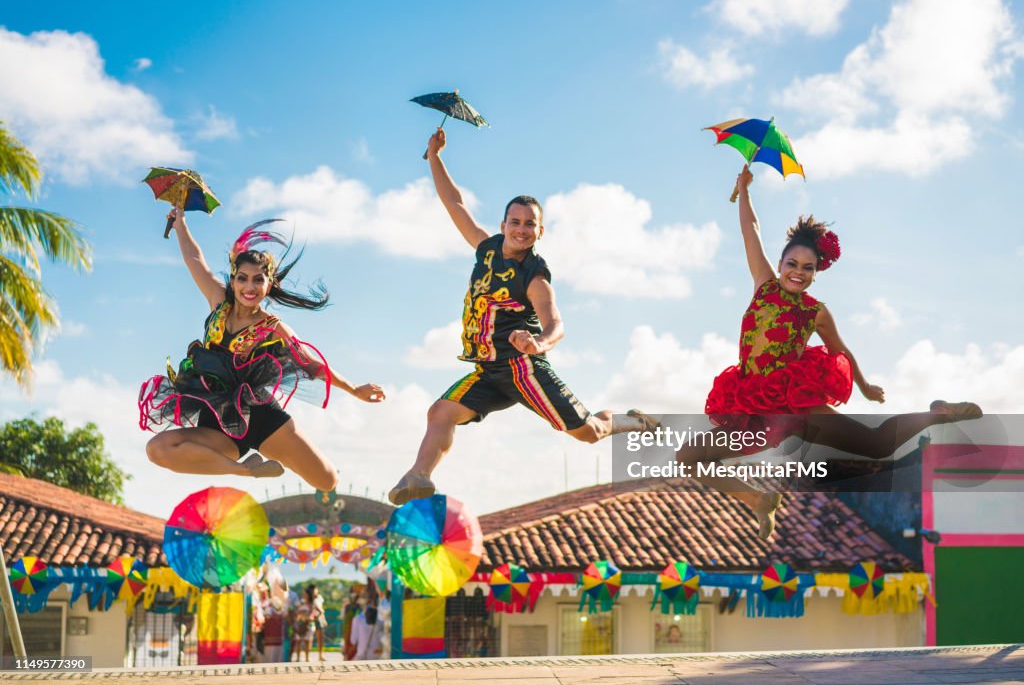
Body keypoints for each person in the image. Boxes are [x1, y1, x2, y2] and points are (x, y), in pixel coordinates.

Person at [677, 165, 982, 538]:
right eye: (792, 264)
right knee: (689, 458)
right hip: (751, 408)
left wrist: (866, 387)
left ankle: (938, 414)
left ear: (817, 272)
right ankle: (757, 501)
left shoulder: (815, 311)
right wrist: (743, 190)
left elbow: (841, 351)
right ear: (780, 263)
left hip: (793, 404)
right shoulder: (763, 286)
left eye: (808, 268)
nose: (798, 273)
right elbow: (750, 231)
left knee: (874, 444)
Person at [388, 128, 656, 504]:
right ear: (503, 227)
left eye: (529, 224)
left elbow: (556, 324)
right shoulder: (486, 250)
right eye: (515, 222)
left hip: (524, 369)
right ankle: (418, 476)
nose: (521, 229)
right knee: (440, 412)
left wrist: (538, 343)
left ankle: (630, 420)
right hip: (489, 370)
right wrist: (434, 157)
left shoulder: (535, 275)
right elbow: (454, 203)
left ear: (539, 231)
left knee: (588, 433)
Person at [140, 211, 386, 491]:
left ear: (270, 285)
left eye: (258, 280)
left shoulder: (272, 326)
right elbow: (194, 259)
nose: (249, 286)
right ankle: (246, 469)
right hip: (218, 425)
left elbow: (308, 363)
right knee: (157, 449)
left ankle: (273, 459)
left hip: (260, 417)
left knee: (328, 481)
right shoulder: (218, 302)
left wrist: (354, 389)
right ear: (232, 281)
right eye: (242, 278)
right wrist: (180, 222)